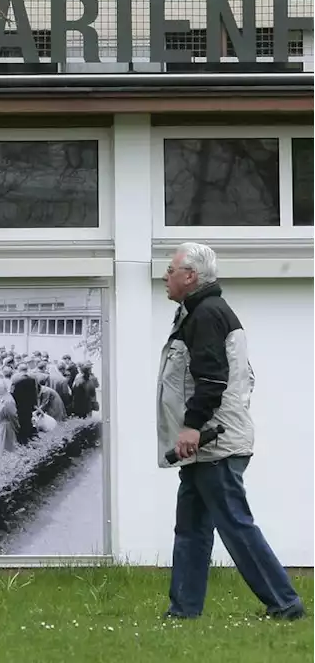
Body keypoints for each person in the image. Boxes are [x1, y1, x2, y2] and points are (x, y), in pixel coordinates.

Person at [159, 243, 304, 621]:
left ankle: (285, 604)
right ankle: (183, 611)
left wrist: (192, 426)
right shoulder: (201, 312)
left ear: (190, 276)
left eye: (171, 269)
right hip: (207, 445)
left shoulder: (207, 314)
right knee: (191, 529)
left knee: (235, 526)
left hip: (214, 443)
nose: (165, 275)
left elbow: (211, 378)